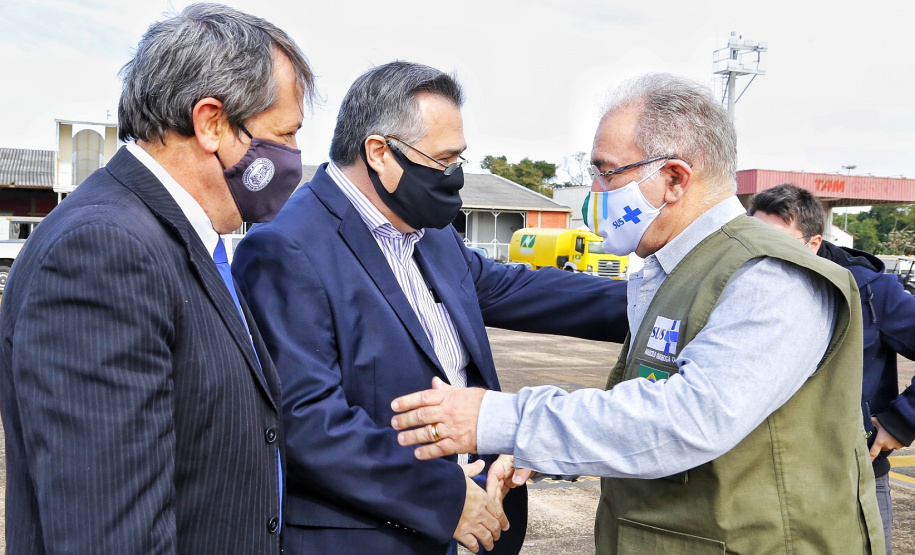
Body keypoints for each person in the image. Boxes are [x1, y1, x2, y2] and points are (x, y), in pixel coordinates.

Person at [391, 72, 886, 554]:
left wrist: (496, 418)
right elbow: (637, 408)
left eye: (606, 172)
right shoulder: (673, 270)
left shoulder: (768, 277)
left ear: (673, 178)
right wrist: (539, 451)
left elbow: (687, 420)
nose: (594, 190)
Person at [231, 60, 629, 555]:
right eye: (444, 160)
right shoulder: (287, 247)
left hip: (477, 521)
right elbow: (308, 423)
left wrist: (660, 301)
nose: (455, 175)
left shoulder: (429, 232)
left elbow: (521, 289)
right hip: (376, 537)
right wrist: (445, 499)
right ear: (379, 153)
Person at [0, 4, 315, 553]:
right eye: (285, 134)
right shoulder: (103, 250)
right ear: (211, 122)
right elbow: (112, 533)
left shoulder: (182, 238)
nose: (293, 156)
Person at [749, 183, 915, 554]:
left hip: (852, 482)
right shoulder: (744, 283)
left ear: (814, 243)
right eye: (754, 238)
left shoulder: (870, 291)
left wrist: (902, 421)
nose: (763, 252)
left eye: (777, 240)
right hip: (760, 480)